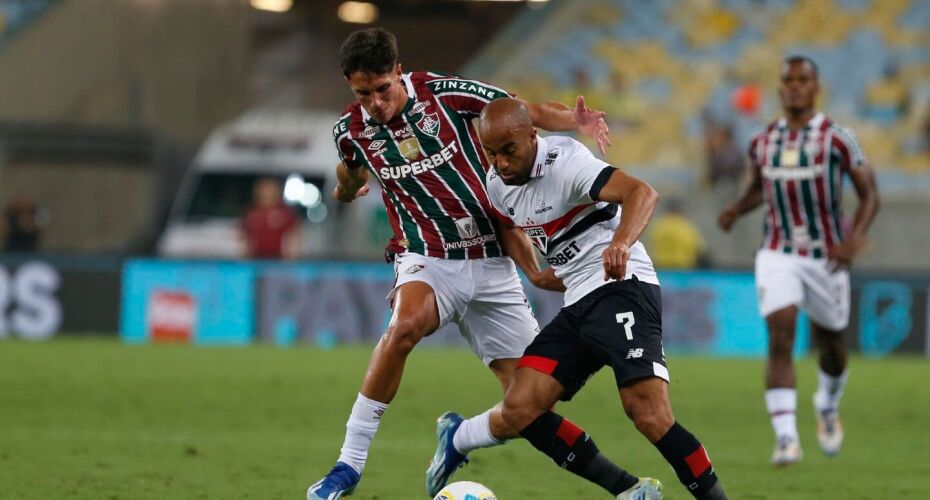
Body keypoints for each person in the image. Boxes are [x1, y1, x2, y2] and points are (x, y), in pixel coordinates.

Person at [307, 28, 611, 499]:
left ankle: (623, 487)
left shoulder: (446, 94)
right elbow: (349, 168)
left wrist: (575, 121)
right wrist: (346, 190)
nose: (375, 103)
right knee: (404, 325)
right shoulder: (351, 130)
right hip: (427, 258)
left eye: (382, 89)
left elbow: (523, 112)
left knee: (531, 404)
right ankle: (347, 466)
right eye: (362, 93)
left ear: (397, 71)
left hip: (494, 260)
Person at [482, 98, 727, 500]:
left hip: (621, 287)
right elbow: (507, 224)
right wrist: (533, 272)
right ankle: (628, 491)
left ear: (533, 136)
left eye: (509, 151)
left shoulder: (567, 162)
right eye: (492, 154)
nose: (501, 164)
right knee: (519, 407)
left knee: (648, 414)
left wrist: (621, 243)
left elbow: (642, 193)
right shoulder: (498, 185)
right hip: (577, 303)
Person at [717, 56, 879, 466]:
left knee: (832, 347)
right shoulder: (763, 140)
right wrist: (738, 208)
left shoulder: (839, 138)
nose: (794, 86)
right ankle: (787, 438)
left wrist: (853, 239)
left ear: (815, 86)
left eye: (802, 80)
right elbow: (761, 188)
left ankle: (827, 401)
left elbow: (870, 195)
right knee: (781, 335)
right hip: (777, 250)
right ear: (780, 87)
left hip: (827, 256)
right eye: (787, 80)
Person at [241, 177, 300, 259]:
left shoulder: (285, 213)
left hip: (278, 259)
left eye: (268, 191)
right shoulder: (251, 213)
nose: (266, 194)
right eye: (263, 191)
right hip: (256, 258)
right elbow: (245, 238)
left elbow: (293, 236)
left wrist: (290, 258)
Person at [647, 198, 707, 269]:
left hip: (661, 267)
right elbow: (698, 248)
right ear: (680, 210)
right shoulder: (685, 226)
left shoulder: (658, 225)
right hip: (682, 268)